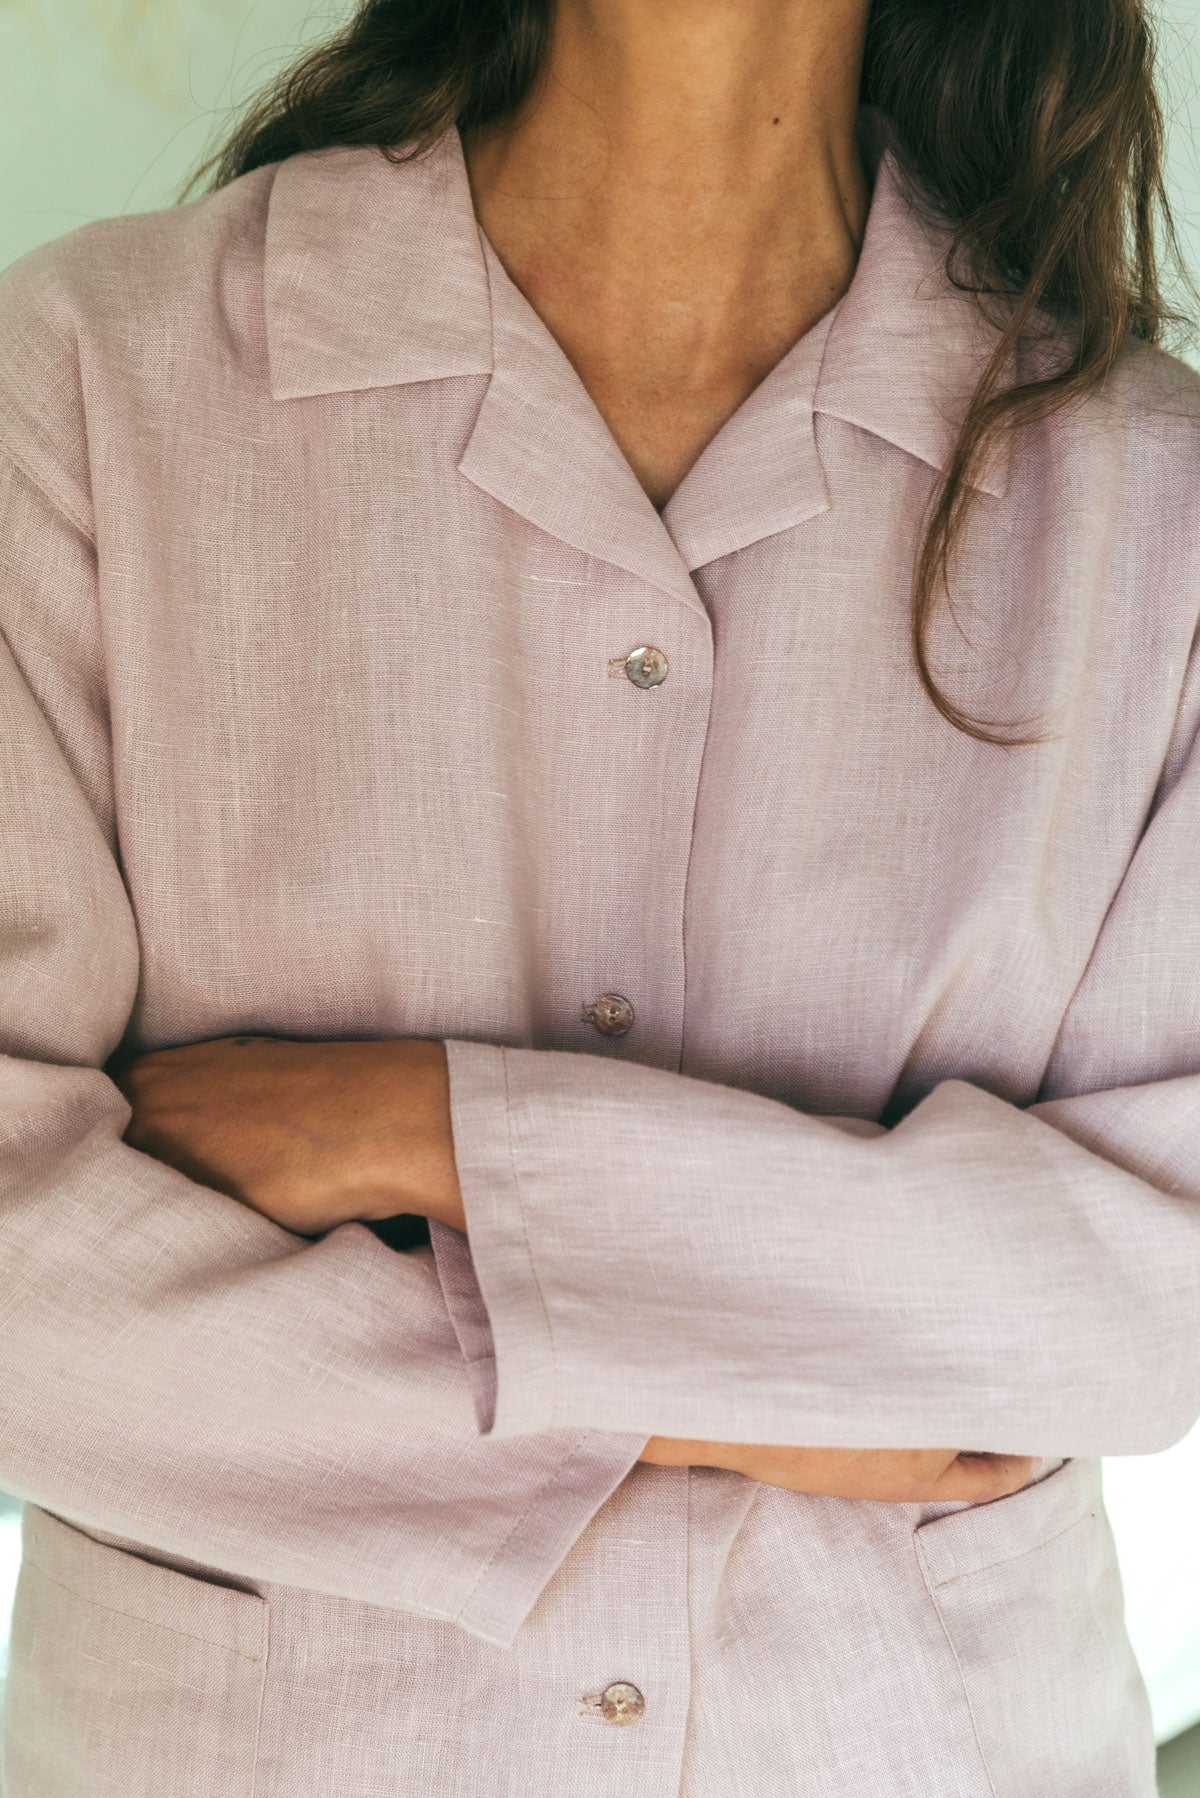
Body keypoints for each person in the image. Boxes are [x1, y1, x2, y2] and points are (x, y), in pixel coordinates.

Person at [1, 0, 1197, 1792]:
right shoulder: (87, 384)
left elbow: (1145, 1297)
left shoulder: (1150, 504)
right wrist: (730, 1398)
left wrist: (435, 1133)